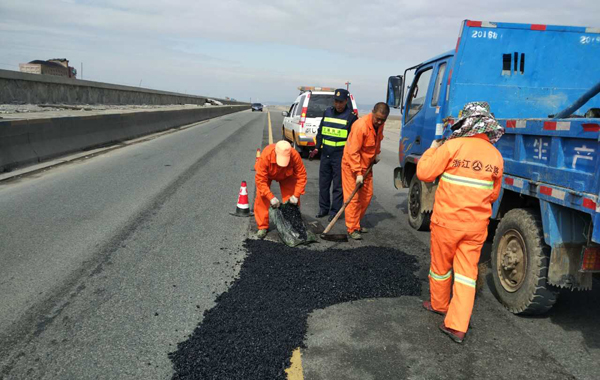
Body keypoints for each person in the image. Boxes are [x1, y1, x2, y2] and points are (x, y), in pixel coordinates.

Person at [416, 101, 505, 344]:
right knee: (467, 275)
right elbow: (494, 194)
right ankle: (457, 326)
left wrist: (432, 149)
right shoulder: (496, 156)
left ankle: (439, 304)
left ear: (466, 123)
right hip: (476, 226)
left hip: (447, 222)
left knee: (441, 268)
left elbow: (425, 173)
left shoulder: (452, 146)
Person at [340, 102, 388, 240]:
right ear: (372, 112)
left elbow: (377, 140)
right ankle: (352, 228)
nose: (379, 122)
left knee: (366, 195)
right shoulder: (360, 126)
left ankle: (357, 223)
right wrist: (358, 173)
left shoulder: (380, 125)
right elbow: (352, 152)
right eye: (377, 118)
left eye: (382, 120)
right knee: (353, 198)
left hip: (367, 165)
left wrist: (376, 154)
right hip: (351, 166)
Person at [310, 89, 358, 222]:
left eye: (341, 102)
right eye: (336, 101)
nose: (338, 104)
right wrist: (316, 148)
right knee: (323, 184)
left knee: (338, 186)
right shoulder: (328, 112)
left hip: (340, 156)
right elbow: (320, 132)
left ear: (346, 101)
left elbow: (354, 140)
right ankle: (323, 208)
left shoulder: (351, 117)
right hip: (325, 154)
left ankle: (334, 211)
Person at [254, 140, 307, 239]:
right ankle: (262, 227)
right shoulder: (266, 155)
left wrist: (296, 195)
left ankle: (292, 225)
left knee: (291, 201)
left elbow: (302, 176)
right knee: (262, 196)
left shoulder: (295, 156)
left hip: (287, 175)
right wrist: (271, 197)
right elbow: (260, 180)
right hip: (268, 174)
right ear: (275, 152)